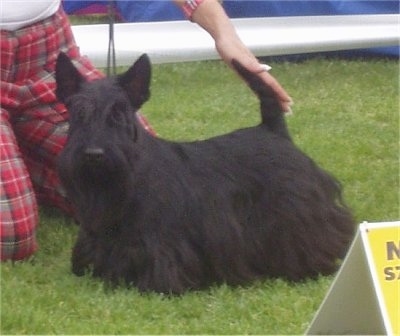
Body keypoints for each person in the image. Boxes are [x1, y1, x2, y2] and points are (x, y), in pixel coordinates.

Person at [0, 0, 292, 262]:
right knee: (12, 236)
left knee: (148, 174)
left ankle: (22, 159)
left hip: (46, 51)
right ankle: (16, 165)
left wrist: (224, 35)